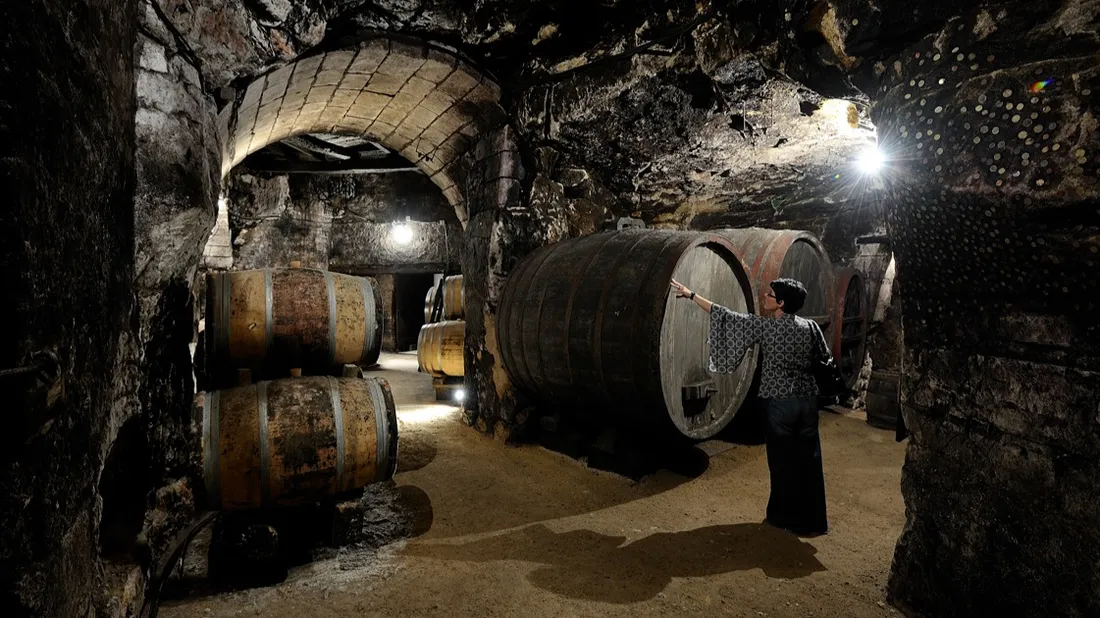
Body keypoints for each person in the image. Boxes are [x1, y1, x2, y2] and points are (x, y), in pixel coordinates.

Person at [669, 276, 830, 536]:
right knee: (809, 461)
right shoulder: (811, 327)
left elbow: (724, 314)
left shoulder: (765, 328)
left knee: (781, 461)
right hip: (807, 402)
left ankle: (780, 517)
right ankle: (812, 523)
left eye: (769, 295)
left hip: (778, 403)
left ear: (780, 303)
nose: (764, 297)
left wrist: (691, 295)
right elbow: (824, 359)